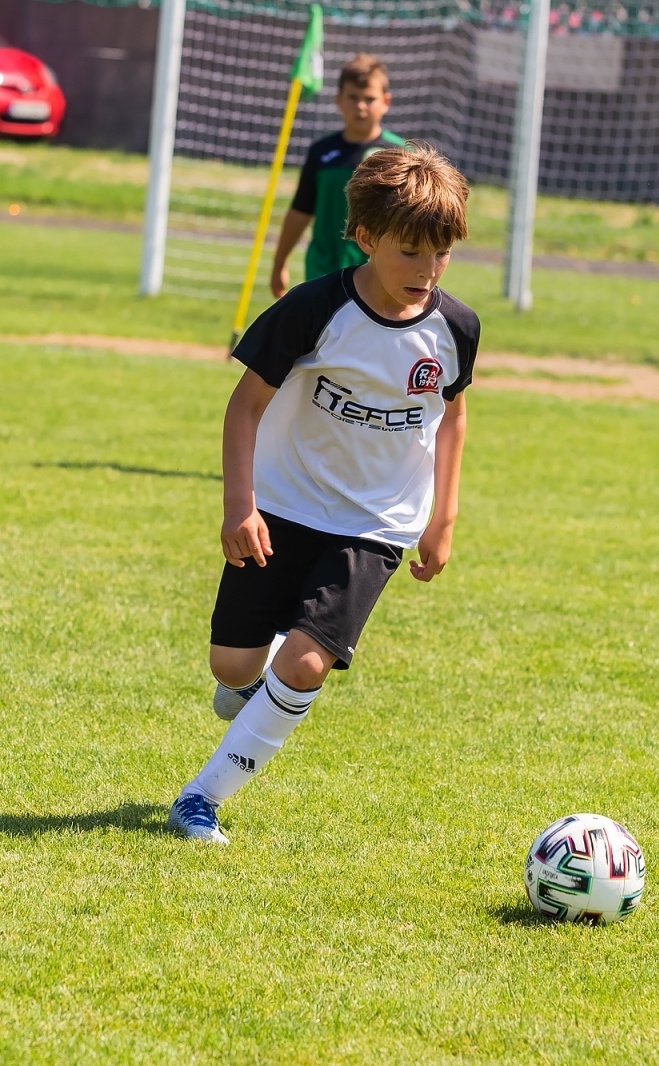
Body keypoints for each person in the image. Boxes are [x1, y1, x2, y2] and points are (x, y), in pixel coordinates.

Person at [169, 144, 477, 845]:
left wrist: (442, 517)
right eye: (409, 253)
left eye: (441, 255)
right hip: (282, 507)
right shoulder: (313, 311)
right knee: (232, 668)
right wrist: (238, 506)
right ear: (365, 238)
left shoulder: (455, 327)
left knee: (306, 662)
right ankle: (260, 685)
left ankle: (201, 799)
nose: (427, 273)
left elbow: (454, 414)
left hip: (376, 522)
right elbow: (243, 406)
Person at [269, 54, 405, 299]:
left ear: (386, 101)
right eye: (353, 98)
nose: (361, 106)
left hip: (378, 273)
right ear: (339, 100)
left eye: (369, 99)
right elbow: (300, 211)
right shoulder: (321, 152)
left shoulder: (401, 155)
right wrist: (280, 263)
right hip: (324, 270)